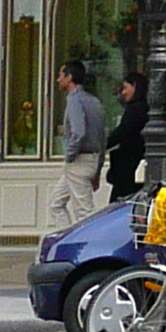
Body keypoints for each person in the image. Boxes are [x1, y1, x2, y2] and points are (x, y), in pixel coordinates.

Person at [48, 62, 106, 231]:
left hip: (79, 161)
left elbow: (78, 132)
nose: (58, 79)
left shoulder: (74, 100)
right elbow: (102, 138)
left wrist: (70, 155)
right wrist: (98, 168)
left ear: (69, 77)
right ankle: (66, 238)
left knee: (84, 212)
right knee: (56, 203)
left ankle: (89, 247)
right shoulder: (94, 101)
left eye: (61, 75)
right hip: (91, 159)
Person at [104, 74, 149, 196]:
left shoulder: (135, 109)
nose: (123, 93)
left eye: (125, 87)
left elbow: (123, 131)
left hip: (129, 166)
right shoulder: (145, 108)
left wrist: (104, 144)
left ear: (134, 85)